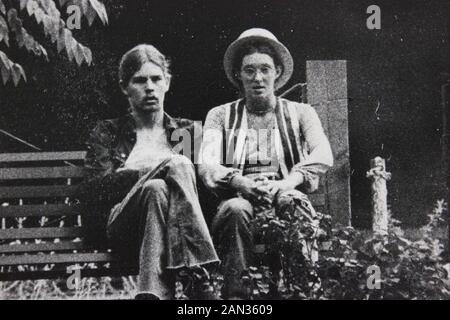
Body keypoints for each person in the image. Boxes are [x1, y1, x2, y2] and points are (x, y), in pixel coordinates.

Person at [199, 28, 334, 299]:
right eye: (249, 70)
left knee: (292, 202)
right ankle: (237, 298)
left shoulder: (301, 113)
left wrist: (287, 183)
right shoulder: (219, 115)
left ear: (278, 72)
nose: (258, 78)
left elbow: (323, 153)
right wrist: (240, 182)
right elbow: (206, 162)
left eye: (265, 69)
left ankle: (302, 292)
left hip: (285, 195)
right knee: (235, 208)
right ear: (238, 75)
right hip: (240, 202)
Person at [79, 44, 219, 300]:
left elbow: (204, 193)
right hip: (123, 228)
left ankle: (151, 294)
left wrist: (152, 178)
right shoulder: (109, 132)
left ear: (167, 82)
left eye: (157, 79)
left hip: (173, 233)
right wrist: (147, 172)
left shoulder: (186, 132)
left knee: (157, 189)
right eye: (140, 81)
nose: (150, 87)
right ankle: (199, 275)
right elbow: (94, 190)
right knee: (176, 165)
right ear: (125, 87)